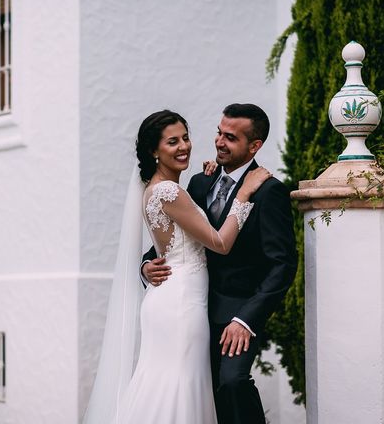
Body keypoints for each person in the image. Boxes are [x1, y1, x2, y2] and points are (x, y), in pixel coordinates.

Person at [83, 110, 271, 424]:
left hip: (172, 297)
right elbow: (220, 243)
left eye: (185, 137)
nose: (184, 146)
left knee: (165, 385)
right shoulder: (169, 192)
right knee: (178, 388)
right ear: (154, 151)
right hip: (181, 303)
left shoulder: (165, 188)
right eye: (173, 142)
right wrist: (244, 192)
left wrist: (145, 265)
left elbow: (171, 243)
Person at [142, 103, 298, 424]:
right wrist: (146, 266)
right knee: (196, 392)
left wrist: (246, 319)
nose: (219, 142)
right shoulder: (199, 182)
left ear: (254, 146)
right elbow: (177, 236)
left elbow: (282, 264)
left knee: (232, 382)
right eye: (218, 132)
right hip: (191, 308)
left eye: (230, 137)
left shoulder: (268, 192)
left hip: (236, 315)